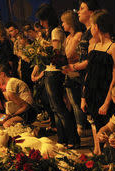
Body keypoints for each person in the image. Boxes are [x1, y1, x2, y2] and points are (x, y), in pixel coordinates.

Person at [35, 4, 80, 148]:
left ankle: (72, 139)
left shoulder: (55, 31)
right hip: (50, 71)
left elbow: (56, 53)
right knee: (55, 108)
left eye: (43, 20)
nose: (41, 23)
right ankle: (62, 139)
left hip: (55, 72)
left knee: (59, 107)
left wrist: (43, 54)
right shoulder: (50, 31)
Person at [78, 9, 115, 129]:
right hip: (91, 94)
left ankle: (101, 148)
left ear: (96, 26)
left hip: (105, 94)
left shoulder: (114, 47)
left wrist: (107, 102)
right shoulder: (92, 46)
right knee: (94, 124)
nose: (90, 28)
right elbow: (89, 73)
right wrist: (83, 97)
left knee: (106, 129)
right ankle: (97, 149)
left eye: (92, 25)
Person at [61, 10, 87, 137]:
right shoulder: (68, 37)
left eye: (64, 22)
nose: (62, 25)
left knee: (77, 102)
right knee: (72, 101)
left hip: (76, 73)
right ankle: (78, 125)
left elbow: (68, 54)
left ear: (70, 23)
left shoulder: (78, 36)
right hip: (69, 72)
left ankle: (80, 127)